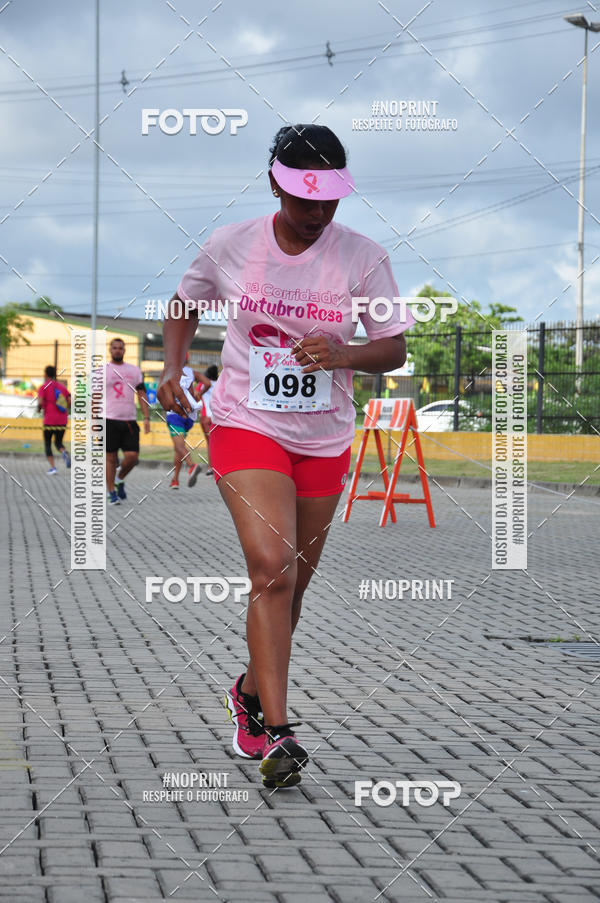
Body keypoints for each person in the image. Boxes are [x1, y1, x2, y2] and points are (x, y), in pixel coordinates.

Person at [157, 124, 414, 788]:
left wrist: (346, 352)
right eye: (305, 200)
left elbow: (393, 347)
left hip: (322, 436)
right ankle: (278, 731)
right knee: (270, 568)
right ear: (275, 182)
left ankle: (246, 691)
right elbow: (184, 302)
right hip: (246, 422)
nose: (317, 214)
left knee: (291, 585)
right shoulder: (233, 244)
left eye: (329, 200)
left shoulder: (363, 257)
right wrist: (174, 363)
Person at [104, 337, 150, 505]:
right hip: (108, 419)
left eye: (120, 348)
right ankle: (111, 493)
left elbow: (142, 394)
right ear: (110, 350)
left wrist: (146, 417)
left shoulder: (134, 371)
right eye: (114, 348)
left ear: (124, 350)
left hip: (129, 420)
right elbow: (94, 398)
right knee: (110, 458)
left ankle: (119, 478)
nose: (117, 350)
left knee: (132, 457)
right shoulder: (102, 371)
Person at [166, 361, 210, 489]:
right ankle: (175, 480)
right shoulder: (192, 372)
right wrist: (199, 394)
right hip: (190, 415)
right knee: (179, 447)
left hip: (175, 414)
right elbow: (207, 383)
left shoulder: (169, 371)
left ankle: (192, 466)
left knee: (179, 446)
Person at [37, 365, 71, 474]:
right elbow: (70, 400)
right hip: (62, 419)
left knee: (47, 443)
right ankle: (64, 452)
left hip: (49, 420)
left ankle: (53, 468)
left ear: (46, 374)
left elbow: (41, 402)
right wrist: (64, 407)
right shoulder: (62, 387)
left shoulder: (43, 387)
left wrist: (39, 409)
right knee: (58, 442)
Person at [192, 364, 218, 480]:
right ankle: (218, 468)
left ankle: (210, 467)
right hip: (217, 417)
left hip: (205, 417)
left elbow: (195, 397)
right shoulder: (220, 384)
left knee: (210, 443)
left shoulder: (202, 384)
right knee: (218, 443)